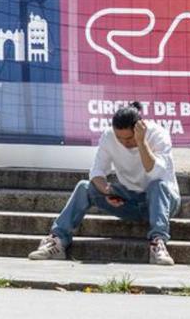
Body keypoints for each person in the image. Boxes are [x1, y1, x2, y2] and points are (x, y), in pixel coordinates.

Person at [28, 101, 180, 266]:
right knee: (84, 187)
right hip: (129, 200)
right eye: (119, 138)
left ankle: (158, 242)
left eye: (129, 139)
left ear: (139, 128)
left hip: (162, 202)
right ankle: (57, 241)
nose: (124, 143)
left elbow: (155, 172)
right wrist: (107, 191)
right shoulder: (108, 136)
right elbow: (97, 172)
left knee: (157, 185)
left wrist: (141, 142)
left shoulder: (158, 135)